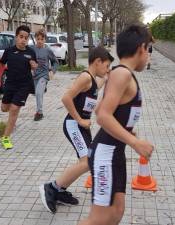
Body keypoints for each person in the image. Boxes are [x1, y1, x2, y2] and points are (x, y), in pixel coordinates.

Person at [78, 24, 154, 225]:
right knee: (98, 219)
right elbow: (103, 116)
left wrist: (126, 130)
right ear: (141, 48)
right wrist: (135, 143)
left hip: (114, 153)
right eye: (149, 51)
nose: (149, 56)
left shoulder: (121, 74)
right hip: (105, 154)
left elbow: (100, 108)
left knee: (117, 212)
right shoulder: (123, 74)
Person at [39, 46, 114, 214]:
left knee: (88, 160)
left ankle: (59, 191)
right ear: (97, 62)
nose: (107, 69)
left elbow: (98, 85)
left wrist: (110, 75)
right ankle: (52, 188)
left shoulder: (93, 80)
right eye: (106, 66)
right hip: (74, 125)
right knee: (87, 161)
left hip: (82, 127)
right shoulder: (85, 77)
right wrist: (79, 119)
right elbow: (66, 98)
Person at [0, 25, 38, 150]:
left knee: (14, 109)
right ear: (16, 37)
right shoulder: (9, 51)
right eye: (21, 37)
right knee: (4, 108)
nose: (23, 40)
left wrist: (34, 66)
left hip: (24, 85)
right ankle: (7, 130)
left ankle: (6, 138)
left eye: (26, 38)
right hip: (10, 84)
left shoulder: (30, 52)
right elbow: (1, 63)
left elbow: (35, 66)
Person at [32, 29, 58, 121]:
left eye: (42, 39)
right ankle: (43, 87)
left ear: (45, 40)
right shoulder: (32, 49)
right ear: (35, 39)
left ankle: (39, 113)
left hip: (44, 75)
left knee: (39, 93)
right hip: (35, 76)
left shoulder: (47, 50)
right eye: (38, 39)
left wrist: (52, 71)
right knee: (37, 93)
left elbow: (55, 62)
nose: (39, 41)